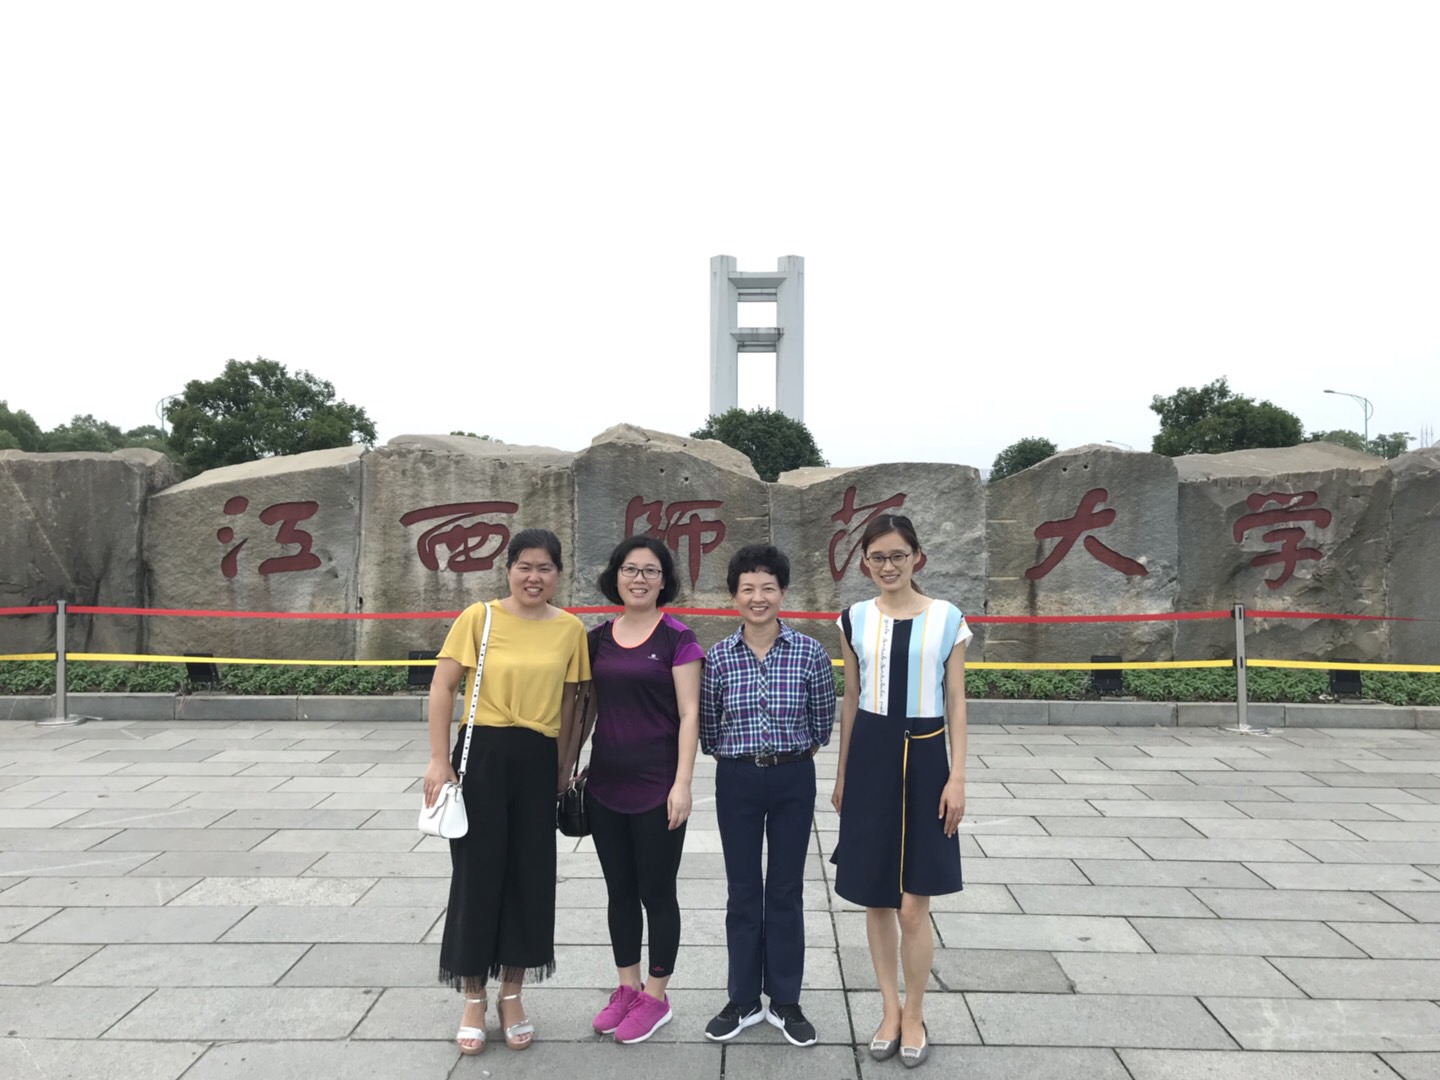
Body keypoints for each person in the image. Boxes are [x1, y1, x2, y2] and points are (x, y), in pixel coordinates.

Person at [421, 528, 590, 1057]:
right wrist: (439, 759)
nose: (533, 577)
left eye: (544, 568)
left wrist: (563, 769)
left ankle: (511, 994)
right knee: (477, 875)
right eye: (524, 566)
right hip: (482, 756)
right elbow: (443, 686)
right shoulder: (480, 618)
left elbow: (572, 704)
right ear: (509, 569)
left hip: (538, 760)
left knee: (529, 878)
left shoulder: (570, 629)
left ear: (558, 574)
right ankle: (472, 996)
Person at [830, 514, 969, 1069]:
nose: (888, 566)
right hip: (871, 753)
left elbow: (956, 700)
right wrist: (842, 774)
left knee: (914, 905)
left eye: (897, 555)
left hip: (928, 754)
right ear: (864, 563)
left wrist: (957, 777)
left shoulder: (947, 619)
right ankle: (888, 1009)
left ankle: (915, 1011)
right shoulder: (853, 619)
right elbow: (850, 697)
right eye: (877, 557)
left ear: (917, 557)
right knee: (876, 895)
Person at [699, 543, 837, 1047]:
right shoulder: (718, 657)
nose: (758, 598)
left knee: (784, 889)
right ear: (734, 596)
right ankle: (741, 1000)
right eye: (748, 589)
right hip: (736, 778)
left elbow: (822, 724)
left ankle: (784, 999)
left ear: (782, 593)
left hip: (792, 777)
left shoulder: (809, 653)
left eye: (768, 588)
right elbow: (708, 730)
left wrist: (789, 758)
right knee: (742, 890)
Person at [584, 536, 703, 1044]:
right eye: (630, 569)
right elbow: (584, 709)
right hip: (604, 785)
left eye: (650, 571)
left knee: (657, 892)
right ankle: (627, 988)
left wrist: (683, 784)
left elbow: (690, 714)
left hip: (658, 788)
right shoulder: (597, 639)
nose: (639, 578)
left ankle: (656, 996)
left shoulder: (678, 638)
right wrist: (567, 770)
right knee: (619, 891)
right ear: (616, 576)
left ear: (663, 580)